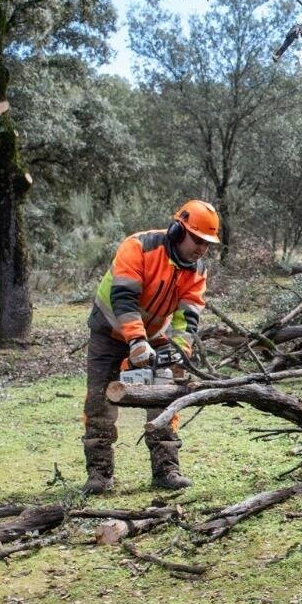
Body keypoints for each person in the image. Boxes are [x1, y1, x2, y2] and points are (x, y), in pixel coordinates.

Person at [81, 200, 219, 493]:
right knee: (99, 402)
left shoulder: (198, 269)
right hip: (109, 329)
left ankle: (166, 470)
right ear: (178, 230)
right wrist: (136, 340)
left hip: (155, 333)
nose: (201, 248)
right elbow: (123, 299)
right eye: (197, 239)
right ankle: (99, 475)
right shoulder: (138, 247)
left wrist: (181, 348)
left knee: (166, 399)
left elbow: (189, 313)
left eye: (207, 243)